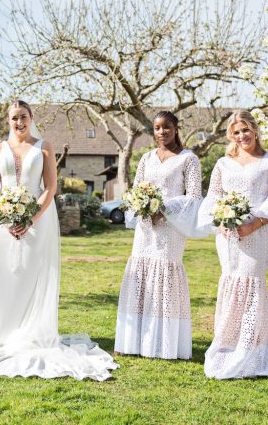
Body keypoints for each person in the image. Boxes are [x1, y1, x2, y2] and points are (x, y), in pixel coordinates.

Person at [0, 100, 118, 380]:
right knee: (3, 275)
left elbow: (50, 187)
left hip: (38, 220)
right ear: (7, 121)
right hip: (4, 223)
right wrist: (8, 216)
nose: (19, 123)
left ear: (31, 118)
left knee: (33, 276)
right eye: (14, 118)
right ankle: (1, 335)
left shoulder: (44, 146)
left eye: (23, 117)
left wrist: (30, 218)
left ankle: (32, 333)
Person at [197, 110, 268, 379]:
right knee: (232, 282)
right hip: (228, 237)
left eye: (245, 130)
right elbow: (213, 196)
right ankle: (228, 348)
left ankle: (253, 352)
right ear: (230, 136)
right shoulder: (223, 163)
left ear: (255, 130)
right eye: (236, 132)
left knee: (250, 283)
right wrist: (221, 221)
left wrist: (253, 224)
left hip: (260, 232)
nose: (242, 136)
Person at [114, 111, 202, 359]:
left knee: (164, 273)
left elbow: (194, 196)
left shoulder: (189, 159)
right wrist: (143, 207)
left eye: (166, 127)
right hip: (145, 228)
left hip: (171, 228)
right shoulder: (146, 158)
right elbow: (137, 189)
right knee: (140, 275)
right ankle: (134, 340)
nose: (162, 132)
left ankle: (162, 343)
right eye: (157, 128)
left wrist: (162, 209)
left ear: (176, 128)